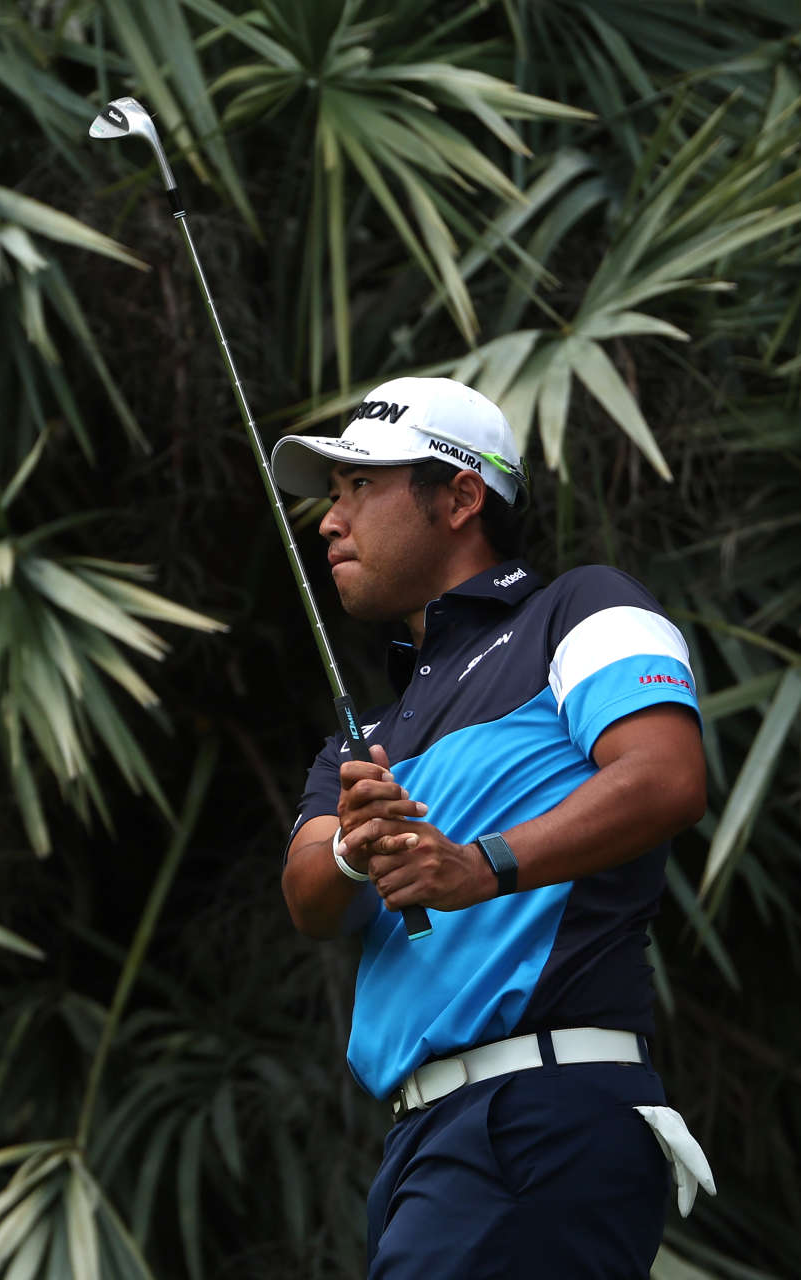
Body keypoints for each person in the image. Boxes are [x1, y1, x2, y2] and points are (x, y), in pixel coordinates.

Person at [269, 377, 715, 1278]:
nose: (330, 521)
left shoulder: (580, 610)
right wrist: (354, 851)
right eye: (332, 493)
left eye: (361, 486)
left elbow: (666, 777)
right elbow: (309, 898)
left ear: (462, 497)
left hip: (537, 1113)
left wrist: (481, 866)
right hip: (428, 1142)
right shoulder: (366, 738)